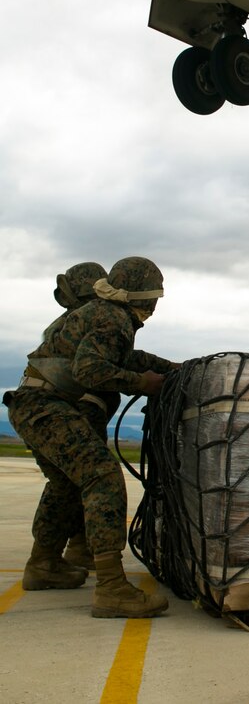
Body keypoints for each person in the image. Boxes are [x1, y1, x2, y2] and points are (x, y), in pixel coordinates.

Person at [4, 256, 179, 618]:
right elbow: (91, 369)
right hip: (47, 406)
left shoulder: (105, 314)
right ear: (145, 298)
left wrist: (174, 369)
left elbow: (128, 356)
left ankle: (44, 564)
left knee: (66, 484)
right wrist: (142, 384)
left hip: (31, 403)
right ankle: (112, 588)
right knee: (102, 476)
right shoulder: (113, 317)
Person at [43, 262, 121, 570]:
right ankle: (76, 555)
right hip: (76, 409)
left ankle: (74, 549)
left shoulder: (71, 321)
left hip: (79, 408)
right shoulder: (92, 321)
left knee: (69, 483)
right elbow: (93, 372)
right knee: (94, 477)